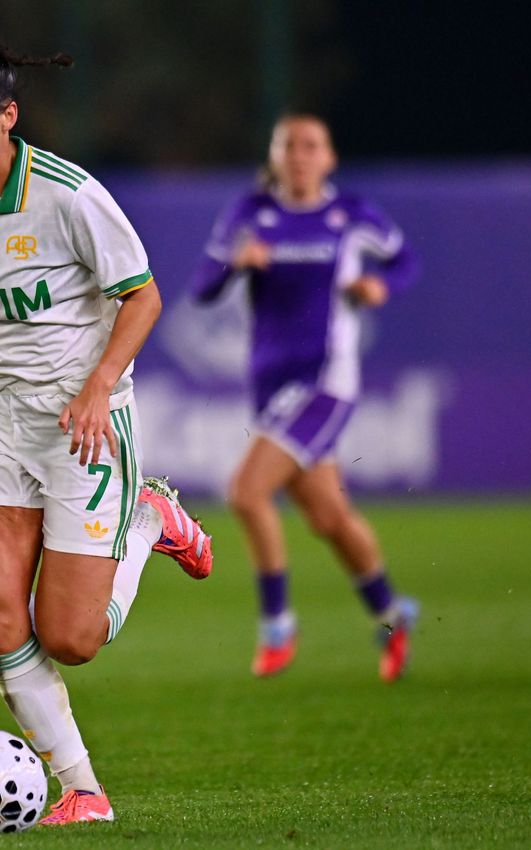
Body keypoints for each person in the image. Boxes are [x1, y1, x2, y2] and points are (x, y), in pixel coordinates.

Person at [0, 30, 213, 826]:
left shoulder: (67, 195)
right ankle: (82, 790)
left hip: (82, 424)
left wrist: (100, 387)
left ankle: (148, 523)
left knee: (70, 638)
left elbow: (142, 297)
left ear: (8, 114)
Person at [191, 113, 421, 682]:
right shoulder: (250, 214)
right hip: (269, 384)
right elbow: (201, 288)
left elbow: (405, 260)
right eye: (288, 145)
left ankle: (277, 628)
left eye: (311, 145)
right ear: (274, 156)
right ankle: (394, 617)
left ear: (329, 157)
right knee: (328, 516)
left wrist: (379, 286)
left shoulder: (350, 215)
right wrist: (231, 264)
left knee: (245, 493)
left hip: (325, 382)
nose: (299, 155)